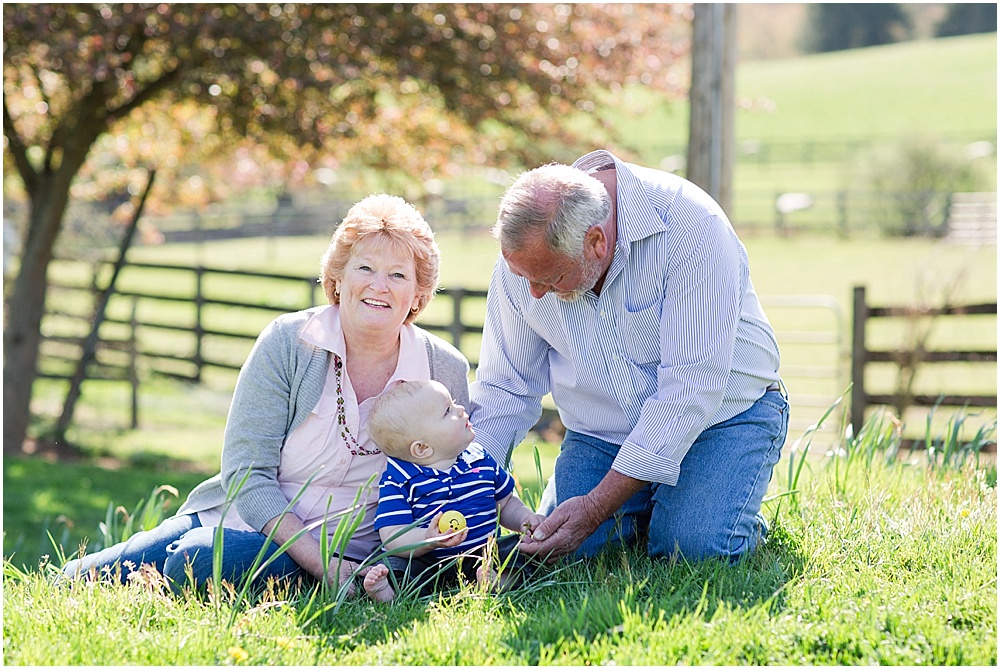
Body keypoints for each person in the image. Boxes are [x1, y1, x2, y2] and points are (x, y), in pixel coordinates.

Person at [61, 194, 471, 595]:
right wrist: (322, 565)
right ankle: (302, 578)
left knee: (197, 561)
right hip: (249, 523)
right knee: (84, 579)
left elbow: (462, 475)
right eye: (365, 267)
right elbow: (247, 473)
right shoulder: (288, 343)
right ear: (338, 278)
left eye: (398, 275)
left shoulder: (442, 368)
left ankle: (309, 579)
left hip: (367, 557)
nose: (379, 286)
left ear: (419, 293)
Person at [469, 149, 789, 563]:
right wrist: (465, 491)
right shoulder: (530, 259)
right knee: (565, 555)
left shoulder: (690, 225)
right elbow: (504, 388)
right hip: (603, 430)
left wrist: (596, 507)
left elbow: (691, 390)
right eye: (525, 278)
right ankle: (651, 510)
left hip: (720, 417)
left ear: (596, 241)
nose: (535, 292)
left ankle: (718, 511)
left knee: (691, 550)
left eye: (551, 278)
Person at [361, 379, 545, 602]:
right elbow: (392, 535)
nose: (460, 409)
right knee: (396, 565)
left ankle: (496, 581)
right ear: (422, 448)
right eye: (448, 411)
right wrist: (427, 539)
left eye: (454, 404)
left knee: (520, 550)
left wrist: (525, 519)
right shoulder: (401, 479)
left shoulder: (478, 457)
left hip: (482, 554)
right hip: (429, 562)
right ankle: (386, 591)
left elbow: (505, 503)